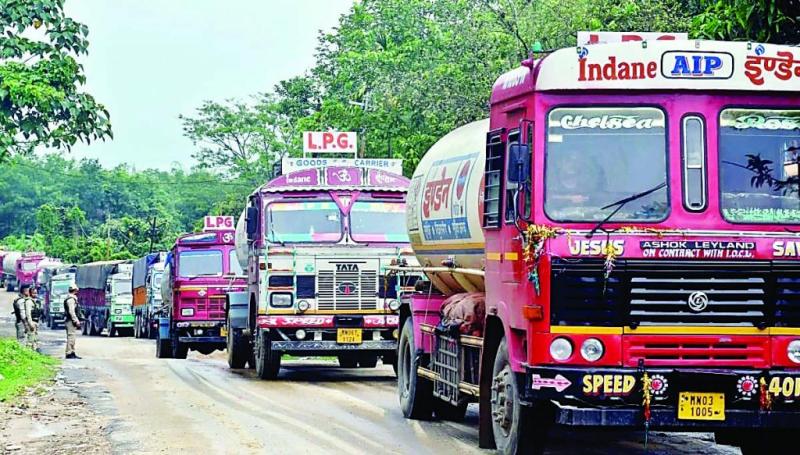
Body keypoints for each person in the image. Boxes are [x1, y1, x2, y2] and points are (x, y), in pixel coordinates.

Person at [63, 284, 82, 359]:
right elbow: (71, 311)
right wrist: (76, 320)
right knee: (71, 337)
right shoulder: (71, 299)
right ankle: (69, 353)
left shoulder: (70, 298)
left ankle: (72, 352)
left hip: (70, 320)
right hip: (70, 320)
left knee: (72, 337)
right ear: (75, 290)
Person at [20, 284, 39, 351]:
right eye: (34, 293)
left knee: (34, 340)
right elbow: (28, 314)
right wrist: (30, 323)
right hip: (31, 323)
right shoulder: (28, 302)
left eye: (36, 293)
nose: (35, 294)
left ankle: (34, 353)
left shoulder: (34, 301)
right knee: (30, 341)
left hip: (35, 322)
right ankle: (29, 352)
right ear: (30, 293)